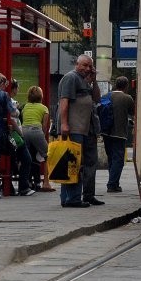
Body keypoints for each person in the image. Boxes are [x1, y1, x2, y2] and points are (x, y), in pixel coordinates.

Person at [57, 54, 103, 208]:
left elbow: (97, 99)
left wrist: (94, 81)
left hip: (87, 127)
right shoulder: (71, 77)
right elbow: (64, 101)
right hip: (75, 127)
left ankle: (87, 196)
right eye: (84, 65)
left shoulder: (85, 81)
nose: (87, 69)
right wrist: (64, 124)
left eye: (90, 66)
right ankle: (72, 198)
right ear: (77, 64)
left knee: (89, 162)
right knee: (74, 162)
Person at [101, 76, 135, 193]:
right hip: (119, 133)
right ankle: (112, 184)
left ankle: (114, 182)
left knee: (111, 158)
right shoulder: (127, 98)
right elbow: (133, 112)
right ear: (126, 86)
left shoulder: (105, 96)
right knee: (118, 160)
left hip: (106, 132)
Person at [21, 86, 55, 192]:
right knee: (47, 155)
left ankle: (26, 182)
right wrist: (41, 138)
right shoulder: (44, 108)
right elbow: (45, 127)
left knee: (26, 157)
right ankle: (46, 183)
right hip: (36, 131)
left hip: (24, 131)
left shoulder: (25, 107)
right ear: (41, 96)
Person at [9, 79, 34, 196]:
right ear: (13, 89)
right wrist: (21, 134)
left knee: (13, 161)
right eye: (17, 87)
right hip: (15, 135)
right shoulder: (11, 102)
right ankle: (24, 186)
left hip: (11, 135)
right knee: (26, 159)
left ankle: (10, 187)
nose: (18, 90)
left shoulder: (10, 101)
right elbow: (12, 121)